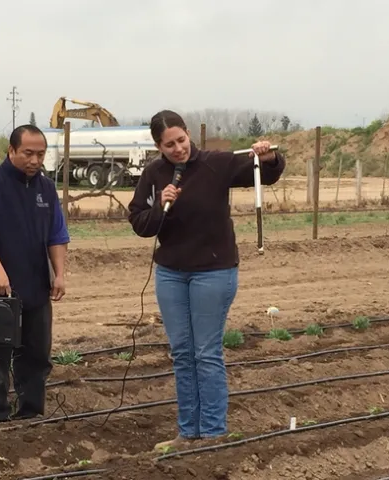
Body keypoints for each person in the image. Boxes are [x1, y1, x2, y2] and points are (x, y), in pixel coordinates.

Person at [127, 110, 286, 451]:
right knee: (182, 353)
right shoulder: (154, 173)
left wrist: (269, 156)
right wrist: (161, 206)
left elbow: (265, 174)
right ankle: (188, 433)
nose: (178, 149)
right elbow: (139, 221)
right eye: (169, 145)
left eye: (181, 140)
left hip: (213, 272)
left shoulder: (217, 163)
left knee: (206, 352)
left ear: (188, 135)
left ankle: (213, 432)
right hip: (171, 273)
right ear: (158, 146)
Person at [0, 124, 70, 425]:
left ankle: (30, 414)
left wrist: (59, 273)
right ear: (11, 151)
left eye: (40, 154)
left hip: (35, 283)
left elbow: (57, 235)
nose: (35, 161)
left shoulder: (46, 188)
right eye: (28, 153)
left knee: (37, 354)